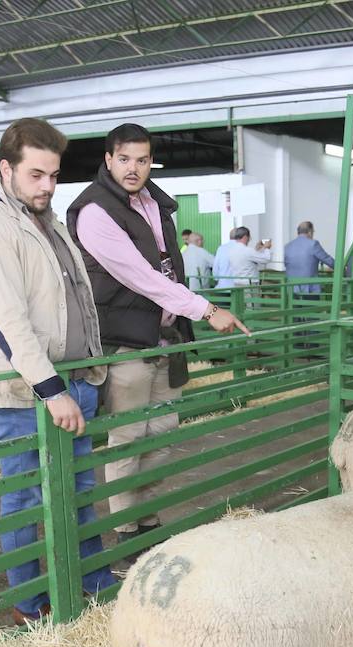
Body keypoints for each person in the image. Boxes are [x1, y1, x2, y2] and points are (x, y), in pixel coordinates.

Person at [68, 122, 249, 550]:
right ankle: (127, 533)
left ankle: (148, 521)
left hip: (166, 337)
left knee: (162, 435)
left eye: (143, 159)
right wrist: (206, 308)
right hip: (126, 341)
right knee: (128, 439)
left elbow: (168, 268)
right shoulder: (95, 211)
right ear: (108, 159)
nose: (134, 168)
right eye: (125, 159)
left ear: (152, 161)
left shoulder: (154, 205)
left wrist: (185, 317)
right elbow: (141, 276)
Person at [0, 117, 117, 623]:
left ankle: (93, 583)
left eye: (53, 175)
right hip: (21, 393)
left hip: (74, 381)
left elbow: (75, 302)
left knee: (78, 490)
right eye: (36, 175)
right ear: (4, 169)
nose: (47, 186)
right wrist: (52, 391)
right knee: (28, 497)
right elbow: (5, 320)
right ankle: (31, 606)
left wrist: (91, 375)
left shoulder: (50, 224)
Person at [284, 220, 335, 299]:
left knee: (295, 311)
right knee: (312, 310)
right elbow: (327, 260)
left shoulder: (287, 246)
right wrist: (342, 267)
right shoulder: (313, 244)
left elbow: (286, 264)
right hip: (309, 289)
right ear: (310, 232)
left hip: (291, 289)